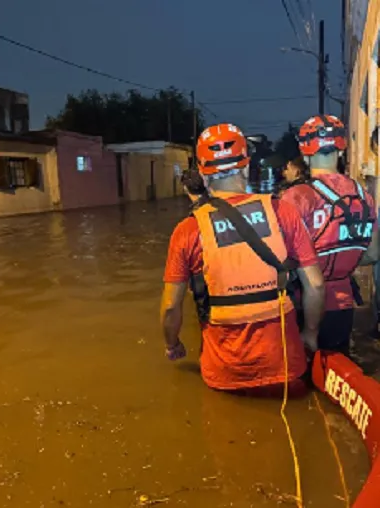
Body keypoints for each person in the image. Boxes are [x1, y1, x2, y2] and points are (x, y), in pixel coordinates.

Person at [161, 123, 325, 395]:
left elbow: (170, 307)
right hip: (285, 365)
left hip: (223, 372)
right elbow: (316, 286)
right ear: (248, 167)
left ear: (202, 174)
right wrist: (310, 334)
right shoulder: (282, 211)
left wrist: (172, 344)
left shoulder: (188, 230)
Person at [278, 115, 376, 355]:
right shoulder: (365, 196)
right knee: (337, 371)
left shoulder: (296, 197)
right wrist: (341, 259)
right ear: (341, 150)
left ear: (306, 152)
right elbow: (373, 253)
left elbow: (279, 257)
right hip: (343, 305)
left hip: (303, 304)